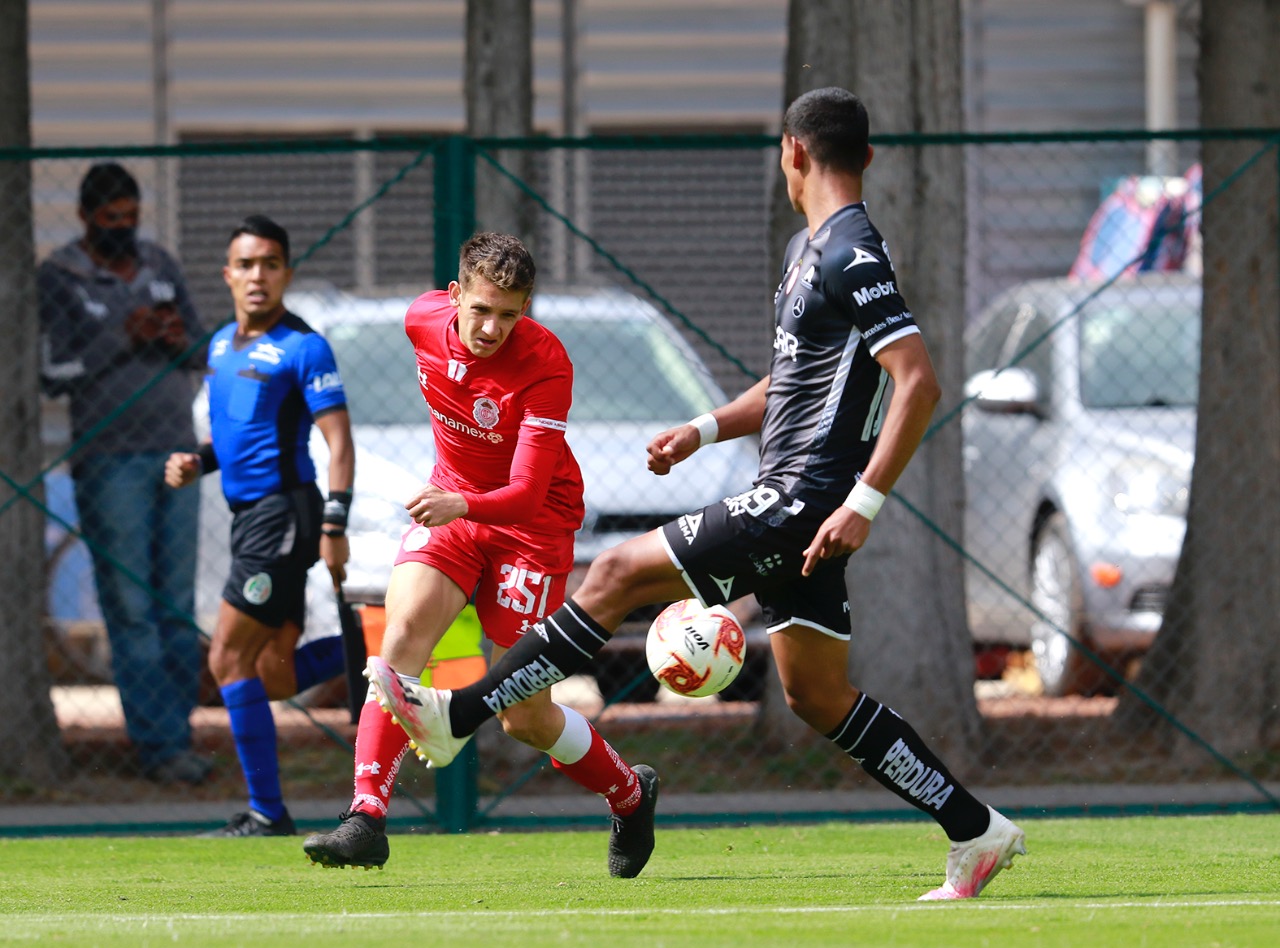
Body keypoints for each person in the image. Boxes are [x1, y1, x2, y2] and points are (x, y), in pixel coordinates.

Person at [366, 89, 1028, 901]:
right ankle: (974, 827)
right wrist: (704, 429)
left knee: (611, 575)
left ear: (792, 152)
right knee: (816, 694)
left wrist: (863, 502)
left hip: (804, 497)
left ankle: (456, 714)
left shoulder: (850, 250)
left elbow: (918, 382)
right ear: (868, 155)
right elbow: (794, 383)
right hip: (791, 493)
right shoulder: (808, 246)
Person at [302, 232, 659, 878]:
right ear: (454, 295)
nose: (493, 327)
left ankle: (630, 793)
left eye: (511, 314)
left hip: (531, 526)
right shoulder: (420, 320)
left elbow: (523, 494)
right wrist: (455, 501)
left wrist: (459, 503)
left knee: (525, 717)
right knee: (402, 638)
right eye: (482, 309)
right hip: (457, 509)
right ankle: (366, 816)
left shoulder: (547, 362)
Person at [165, 215, 355, 836]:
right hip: (251, 518)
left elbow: (339, 442)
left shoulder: (303, 347)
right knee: (272, 673)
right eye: (246, 265)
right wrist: (200, 460)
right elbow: (236, 436)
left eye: (270, 264)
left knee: (225, 659)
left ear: (287, 274)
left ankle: (266, 813)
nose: (257, 276)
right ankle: (373, 652)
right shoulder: (221, 344)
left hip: (283, 516)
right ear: (227, 275)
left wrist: (336, 522)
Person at [39, 162, 209, 785]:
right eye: (112, 221)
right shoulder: (58, 276)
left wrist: (172, 337)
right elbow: (51, 373)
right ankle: (159, 746)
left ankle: (180, 734)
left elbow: (201, 349)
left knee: (176, 605)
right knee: (132, 606)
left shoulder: (159, 263)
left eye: (132, 220)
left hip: (177, 453)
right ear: (86, 219)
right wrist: (120, 335)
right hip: (109, 459)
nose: (125, 230)